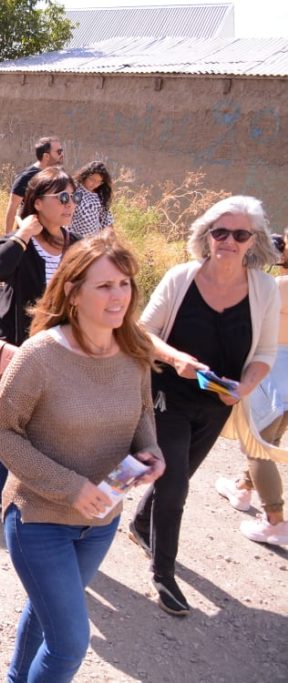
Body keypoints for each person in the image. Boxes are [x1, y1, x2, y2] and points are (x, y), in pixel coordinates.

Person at [0, 233, 165, 683]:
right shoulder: (41, 356)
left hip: (101, 522)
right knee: (69, 644)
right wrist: (71, 487)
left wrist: (151, 451)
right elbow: (1, 432)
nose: (118, 295)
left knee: (45, 612)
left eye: (125, 284)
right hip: (39, 520)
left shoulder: (135, 351)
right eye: (104, 285)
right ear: (73, 291)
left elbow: (142, 411)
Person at [130, 195, 279, 616]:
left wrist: (245, 387)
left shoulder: (264, 289)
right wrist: (177, 360)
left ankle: (142, 525)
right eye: (220, 232)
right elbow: (143, 333)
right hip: (166, 395)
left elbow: (265, 352)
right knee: (175, 484)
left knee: (175, 476)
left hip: (218, 405)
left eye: (240, 234)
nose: (229, 240)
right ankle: (164, 573)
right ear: (206, 236)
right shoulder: (181, 278)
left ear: (253, 241)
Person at [0, 167, 82, 517]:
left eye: (74, 197)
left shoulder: (77, 244)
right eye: (63, 197)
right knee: (16, 421)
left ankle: (30, 490)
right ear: (38, 202)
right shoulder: (21, 241)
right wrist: (23, 232)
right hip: (22, 345)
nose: (71, 204)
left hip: (63, 348)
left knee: (46, 423)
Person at [215, 230, 288, 545]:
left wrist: (260, 259)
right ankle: (243, 489)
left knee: (257, 445)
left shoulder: (280, 287)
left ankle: (275, 521)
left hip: (275, 372)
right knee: (269, 437)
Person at [4, 136, 65, 234]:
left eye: (62, 151)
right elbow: (13, 207)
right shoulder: (26, 177)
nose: (62, 154)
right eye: (58, 152)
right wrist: (8, 237)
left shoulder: (57, 174)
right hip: (29, 233)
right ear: (46, 156)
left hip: (50, 232)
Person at [69, 161, 115, 238]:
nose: (94, 184)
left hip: (92, 239)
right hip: (72, 236)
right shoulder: (74, 190)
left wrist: (111, 240)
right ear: (85, 176)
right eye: (92, 180)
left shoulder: (100, 196)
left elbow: (106, 220)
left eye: (98, 182)